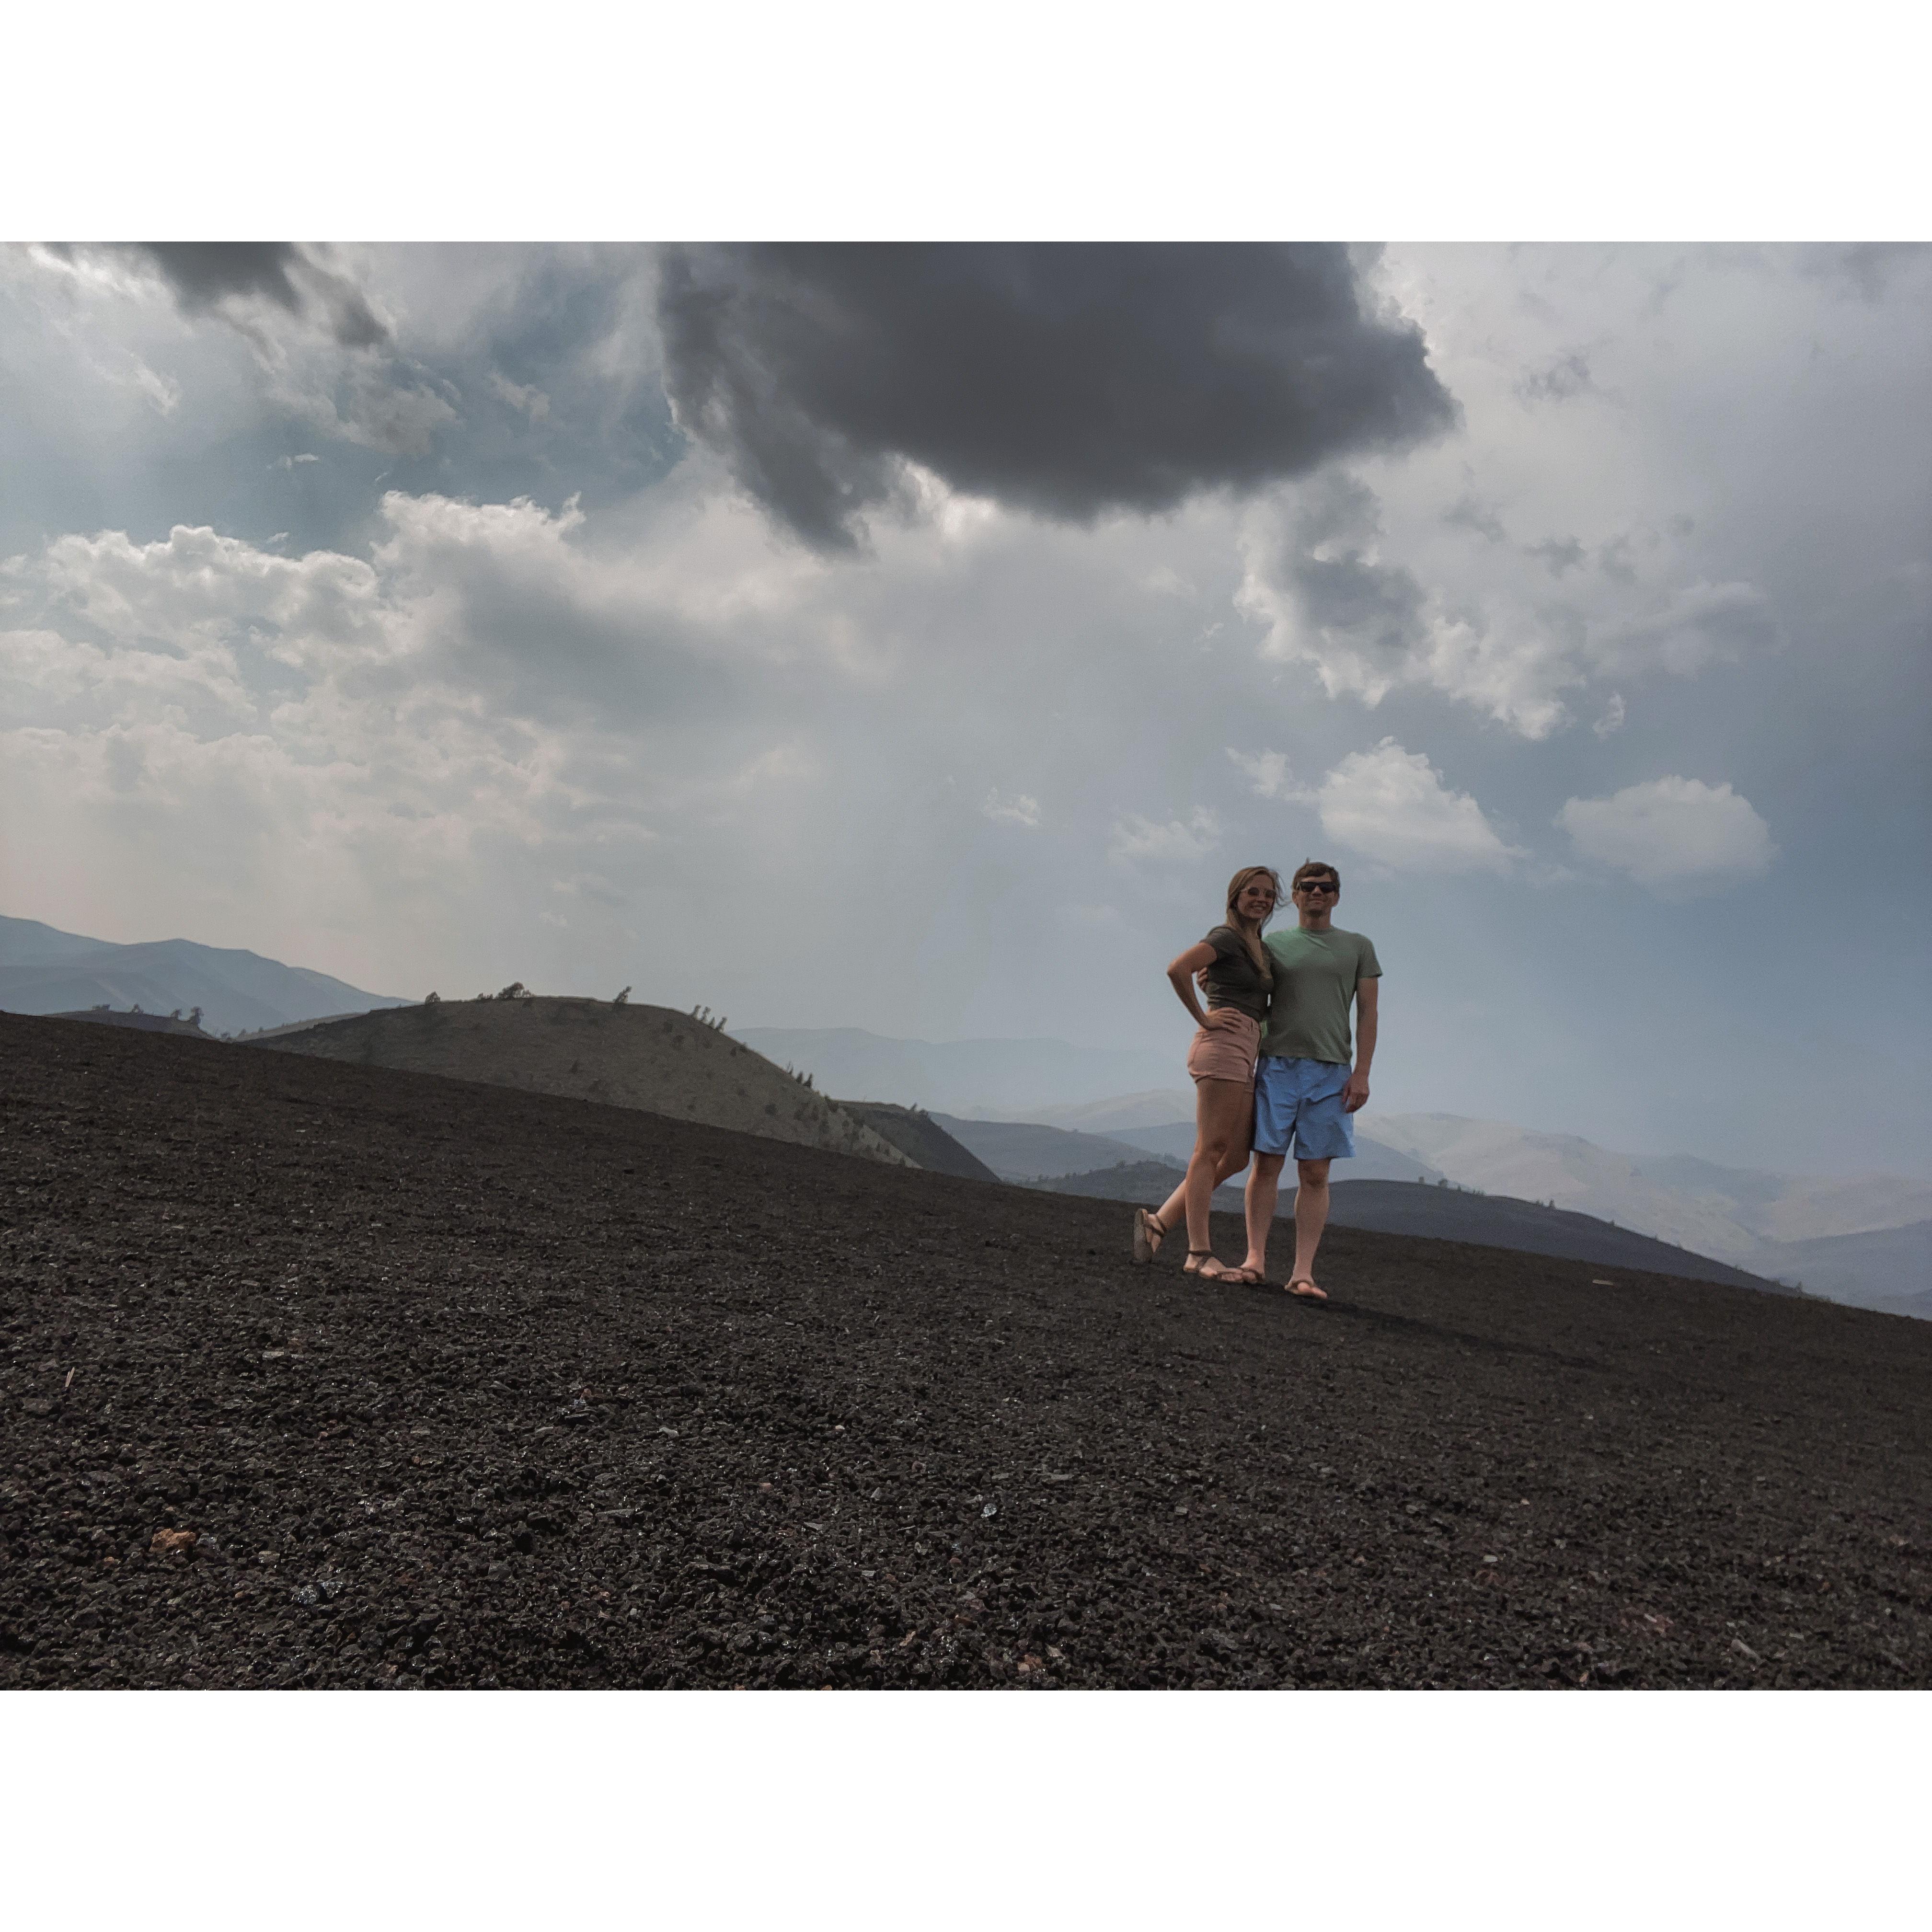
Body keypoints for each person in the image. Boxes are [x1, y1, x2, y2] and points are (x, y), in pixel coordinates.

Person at [1234, 860, 1380, 1300]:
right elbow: (1241, 986)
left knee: (1315, 1172)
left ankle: (1302, 1273)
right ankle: (1254, 1259)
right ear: (1294, 895)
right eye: (1308, 887)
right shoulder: (1271, 944)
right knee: (1267, 1163)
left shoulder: (1358, 947)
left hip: (1332, 1072)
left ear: (1337, 896)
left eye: (1326, 887)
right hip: (1276, 1064)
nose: (1317, 893)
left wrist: (1363, 1074)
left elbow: (1369, 1011)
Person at [1132, 866, 1281, 1282]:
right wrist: (1204, 1016)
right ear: (1235, 897)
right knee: (1210, 1148)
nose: (1261, 899)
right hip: (1222, 1046)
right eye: (1253, 892)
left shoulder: (1257, 948)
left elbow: (1249, 995)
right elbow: (1178, 968)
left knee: (1235, 1156)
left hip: (1245, 1049)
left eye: (1269, 895)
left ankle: (1159, 1223)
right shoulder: (1226, 937)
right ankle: (1198, 1253)